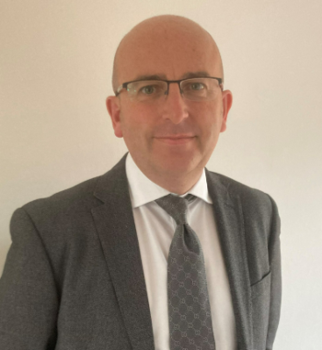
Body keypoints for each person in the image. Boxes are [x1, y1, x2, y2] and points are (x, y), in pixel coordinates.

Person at [0, 15, 281, 350]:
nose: (177, 113)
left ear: (224, 107)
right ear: (117, 115)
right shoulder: (48, 232)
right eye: (148, 88)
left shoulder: (258, 214)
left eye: (196, 85)